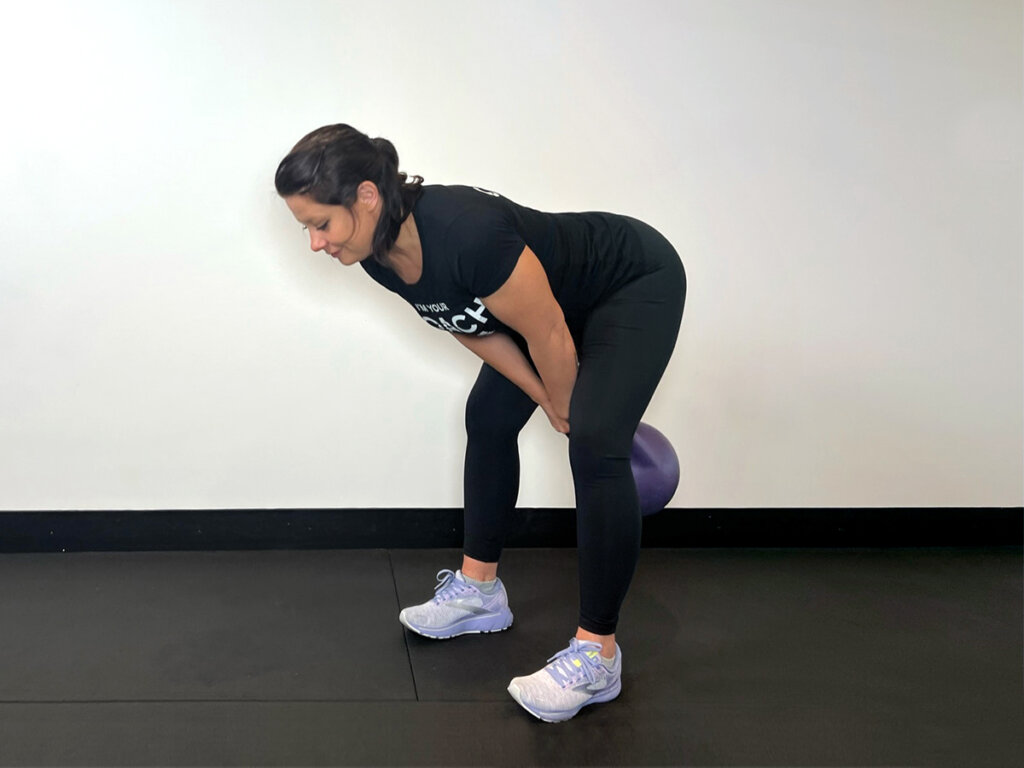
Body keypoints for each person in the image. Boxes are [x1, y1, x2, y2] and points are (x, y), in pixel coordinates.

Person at [275, 124, 686, 723]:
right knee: (488, 417)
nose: (315, 244)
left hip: (628, 281)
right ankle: (480, 592)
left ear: (367, 196)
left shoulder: (463, 230)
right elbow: (478, 328)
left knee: (595, 446)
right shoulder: (380, 259)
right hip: (545, 307)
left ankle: (598, 655)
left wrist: (571, 411)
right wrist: (545, 397)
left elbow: (546, 329)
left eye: (321, 224)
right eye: (305, 228)